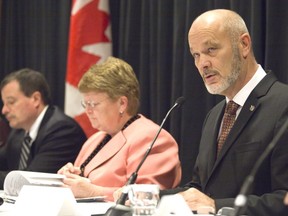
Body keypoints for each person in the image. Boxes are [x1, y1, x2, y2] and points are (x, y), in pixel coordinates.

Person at [161, 9, 288, 216]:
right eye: (196, 55)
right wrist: (147, 196)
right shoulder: (215, 115)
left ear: (244, 44)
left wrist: (216, 206)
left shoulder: (283, 104)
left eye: (211, 49)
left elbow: (284, 198)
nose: (203, 63)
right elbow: (200, 189)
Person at [58, 57, 182, 201]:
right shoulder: (94, 140)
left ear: (122, 103)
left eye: (93, 103)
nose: (88, 111)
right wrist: (69, 177)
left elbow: (147, 197)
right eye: (85, 104)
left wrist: (94, 191)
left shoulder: (153, 138)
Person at [0, 68, 87, 188]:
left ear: (35, 99)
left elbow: (31, 181)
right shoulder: (19, 131)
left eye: (11, 102)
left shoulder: (63, 130)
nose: (4, 110)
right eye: (4, 103)